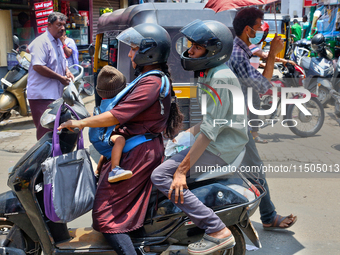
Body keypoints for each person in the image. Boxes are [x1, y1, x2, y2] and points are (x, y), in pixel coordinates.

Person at [58, 23, 183, 255]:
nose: (129, 53)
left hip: (138, 154)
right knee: (119, 209)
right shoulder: (149, 78)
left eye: (134, 48)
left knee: (106, 215)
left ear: (149, 51)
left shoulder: (151, 83)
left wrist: (80, 123)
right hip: (136, 149)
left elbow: (116, 115)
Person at [151, 20, 249, 254]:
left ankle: (216, 228)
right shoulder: (209, 73)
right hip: (214, 141)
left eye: (196, 47)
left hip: (221, 148)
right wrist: (181, 136)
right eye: (191, 45)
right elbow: (207, 122)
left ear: (213, 50)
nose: (190, 51)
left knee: (161, 175)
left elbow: (209, 133)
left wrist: (182, 170)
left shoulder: (221, 79)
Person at [227, 7, 297, 230]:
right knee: (253, 167)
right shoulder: (238, 54)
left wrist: (268, 53)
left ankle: (264, 214)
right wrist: (274, 53)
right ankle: (267, 216)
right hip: (234, 121)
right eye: (258, 27)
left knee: (244, 167)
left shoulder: (238, 49)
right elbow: (264, 85)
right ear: (247, 29)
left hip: (231, 117)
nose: (260, 30)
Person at [27, 12, 74, 140]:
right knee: (45, 131)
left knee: (54, 130)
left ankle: (53, 158)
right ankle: (44, 159)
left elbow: (61, 61)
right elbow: (38, 66)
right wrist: (60, 77)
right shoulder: (41, 42)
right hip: (41, 94)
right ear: (49, 25)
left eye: (64, 25)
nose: (62, 28)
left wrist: (67, 71)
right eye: (59, 25)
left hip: (54, 94)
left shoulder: (58, 41)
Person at [94, 65, 133, 183]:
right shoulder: (114, 105)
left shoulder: (103, 102)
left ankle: (97, 172)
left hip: (97, 137)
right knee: (119, 140)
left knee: (107, 152)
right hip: (102, 137)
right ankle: (115, 170)